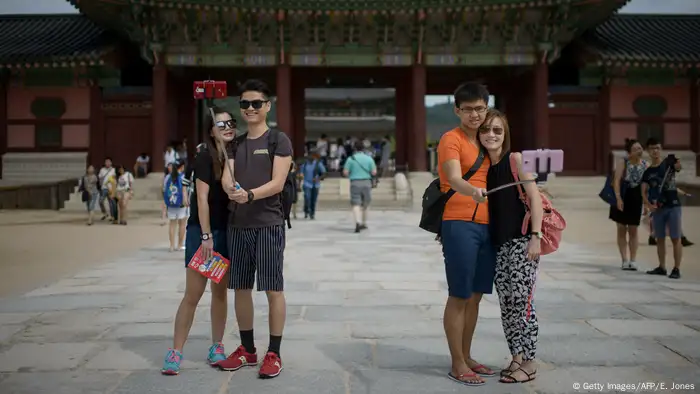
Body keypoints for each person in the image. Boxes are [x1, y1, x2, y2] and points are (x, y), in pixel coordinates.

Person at [219, 79, 293, 379]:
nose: (250, 108)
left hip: (267, 223)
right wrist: (230, 189)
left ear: (267, 106)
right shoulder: (235, 143)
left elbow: (277, 183)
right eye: (245, 104)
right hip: (238, 224)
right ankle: (247, 349)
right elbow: (227, 175)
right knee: (241, 287)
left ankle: (273, 352)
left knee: (273, 289)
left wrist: (249, 194)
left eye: (256, 103)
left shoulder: (278, 140)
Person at [161, 107, 237, 375]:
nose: (228, 127)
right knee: (193, 294)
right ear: (211, 130)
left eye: (231, 123)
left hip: (226, 232)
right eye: (221, 123)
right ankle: (176, 351)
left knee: (219, 294)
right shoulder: (205, 156)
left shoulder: (234, 154)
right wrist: (206, 236)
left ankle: (217, 346)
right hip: (203, 232)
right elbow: (201, 199)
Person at [436, 82, 496, 386]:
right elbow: (455, 178)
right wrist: (474, 191)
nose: (475, 114)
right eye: (469, 109)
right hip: (459, 222)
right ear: (457, 110)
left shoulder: (488, 140)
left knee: (476, 295)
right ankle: (457, 362)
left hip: (489, 225)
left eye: (480, 108)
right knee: (459, 294)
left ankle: (468, 355)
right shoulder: (451, 139)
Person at [478, 109, 543, 384]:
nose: (491, 135)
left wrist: (536, 236)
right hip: (498, 244)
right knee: (507, 304)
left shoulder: (515, 160)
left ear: (505, 135)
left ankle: (529, 362)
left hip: (521, 242)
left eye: (497, 130)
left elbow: (535, 198)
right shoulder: (483, 167)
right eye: (486, 130)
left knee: (522, 301)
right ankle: (515, 356)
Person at [641, 138, 683, 279]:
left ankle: (676, 268)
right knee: (659, 238)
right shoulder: (647, 172)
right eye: (652, 148)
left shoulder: (667, 165)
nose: (655, 151)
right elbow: (643, 191)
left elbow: (677, 167)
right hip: (657, 208)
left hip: (673, 205)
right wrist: (648, 204)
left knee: (675, 237)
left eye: (658, 148)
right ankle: (662, 266)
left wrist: (676, 163)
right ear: (647, 151)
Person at [609, 139, 648, 271]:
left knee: (633, 229)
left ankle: (633, 259)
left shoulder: (645, 165)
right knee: (621, 228)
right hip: (623, 195)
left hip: (636, 197)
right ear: (630, 152)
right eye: (636, 149)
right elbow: (616, 181)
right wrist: (618, 198)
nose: (639, 151)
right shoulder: (623, 162)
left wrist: (647, 203)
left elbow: (646, 185)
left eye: (640, 148)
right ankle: (624, 260)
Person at [343, 140, 377, 233]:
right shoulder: (369, 158)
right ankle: (364, 223)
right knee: (366, 203)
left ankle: (357, 222)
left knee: (356, 203)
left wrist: (352, 173)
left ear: (354, 148)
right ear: (363, 148)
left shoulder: (351, 159)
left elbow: (345, 172)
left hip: (355, 182)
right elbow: (374, 172)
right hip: (366, 182)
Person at [163, 160, 189, 252]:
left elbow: (164, 190)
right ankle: (179, 245)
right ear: (181, 167)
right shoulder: (184, 177)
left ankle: (171, 246)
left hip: (171, 203)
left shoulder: (168, 177)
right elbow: (186, 190)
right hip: (181, 203)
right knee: (182, 224)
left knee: (172, 224)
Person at [299, 151, 326, 220]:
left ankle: (312, 213)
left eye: (313, 156)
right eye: (310, 156)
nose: (311, 157)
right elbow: (301, 174)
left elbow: (324, 173)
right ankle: (306, 210)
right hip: (306, 184)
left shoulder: (318, 164)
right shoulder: (304, 164)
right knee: (307, 198)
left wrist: (318, 178)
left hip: (315, 185)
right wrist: (300, 176)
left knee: (313, 200)